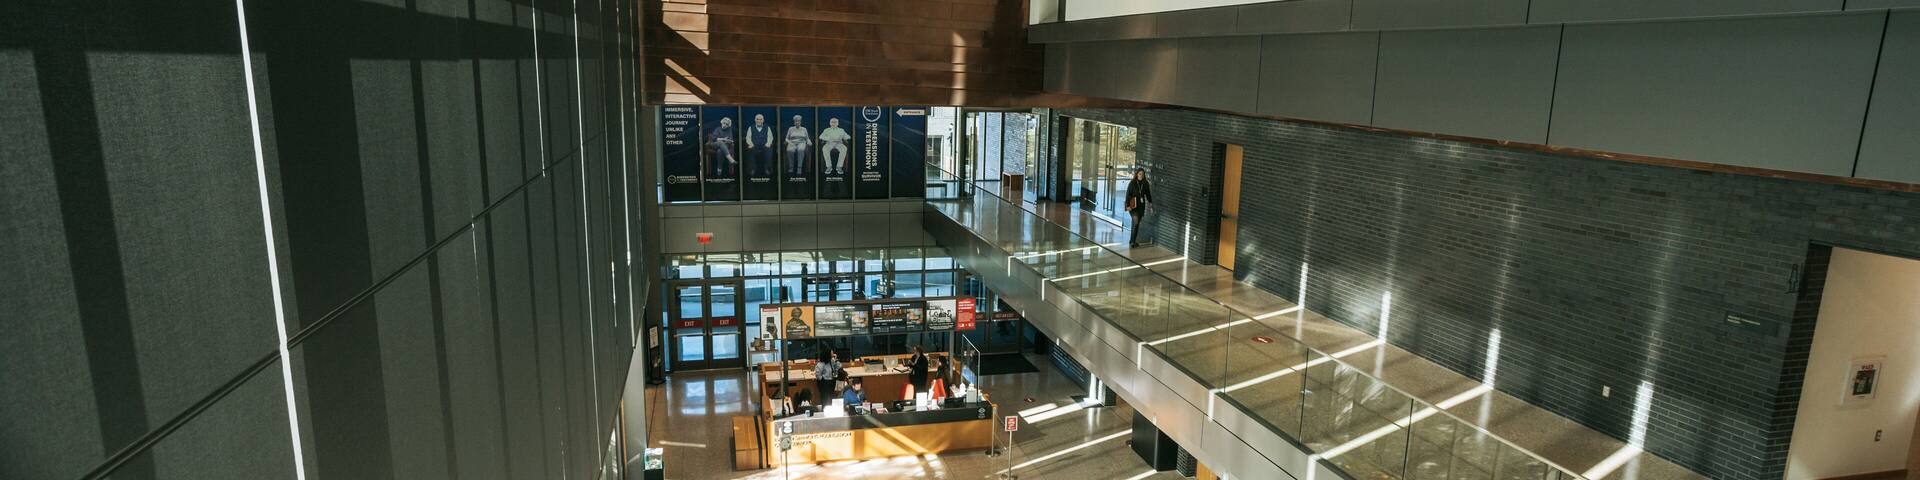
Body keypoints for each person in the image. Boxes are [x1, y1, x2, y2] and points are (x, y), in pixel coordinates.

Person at [1125, 168, 1154, 247]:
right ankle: (1132, 242)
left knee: (1136, 224)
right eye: (1140, 174)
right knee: (1136, 222)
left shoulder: (1145, 183)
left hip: (1141, 207)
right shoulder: (1132, 183)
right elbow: (1128, 195)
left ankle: (1132, 240)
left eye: (1142, 174)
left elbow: (1148, 195)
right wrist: (1127, 205)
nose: (1141, 175)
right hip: (1133, 206)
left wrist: (1151, 204)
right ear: (1137, 174)